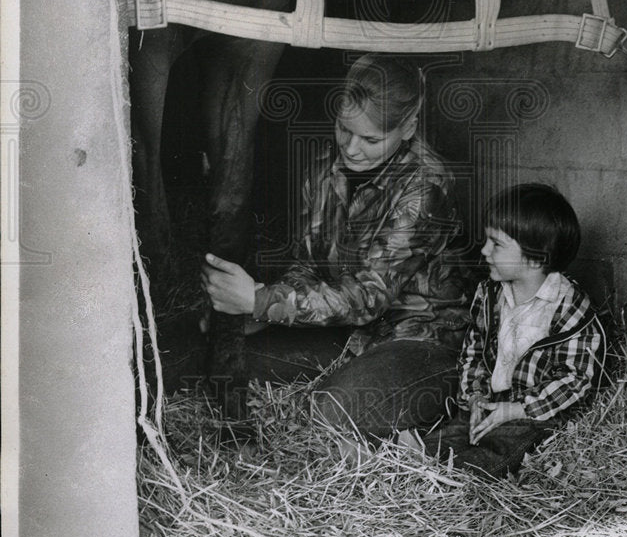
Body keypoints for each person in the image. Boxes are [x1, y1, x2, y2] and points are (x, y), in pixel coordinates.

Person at [201, 53, 474, 445]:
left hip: (420, 341)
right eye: (344, 129)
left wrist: (261, 301)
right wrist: (267, 309)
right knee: (220, 352)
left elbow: (369, 297)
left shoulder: (426, 185)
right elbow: (306, 266)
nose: (351, 147)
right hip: (348, 332)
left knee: (334, 411)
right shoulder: (323, 167)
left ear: (409, 127)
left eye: (371, 139)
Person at [400, 183, 605, 478]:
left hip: (535, 413)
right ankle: (410, 458)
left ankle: (454, 475)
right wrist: (475, 398)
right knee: (455, 431)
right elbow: (474, 350)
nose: (484, 250)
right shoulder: (490, 294)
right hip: (492, 400)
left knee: (502, 450)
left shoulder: (570, 309)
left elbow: (574, 379)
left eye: (496, 244)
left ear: (535, 258)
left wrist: (516, 410)